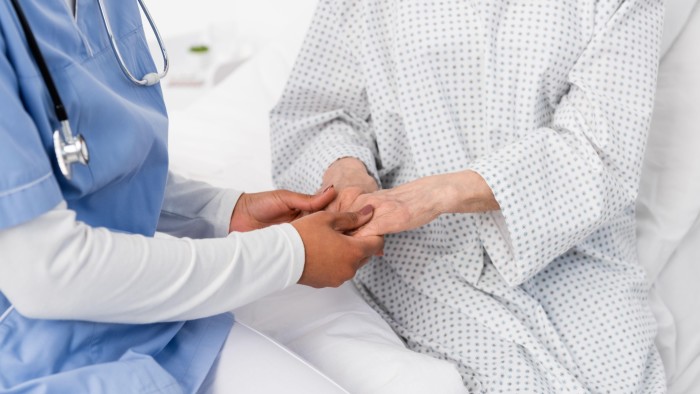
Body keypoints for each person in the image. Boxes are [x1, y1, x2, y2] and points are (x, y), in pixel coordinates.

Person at [271, 0, 668, 391]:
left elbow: (602, 149)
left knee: (622, 379)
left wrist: (439, 195)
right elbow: (318, 113)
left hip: (570, 249)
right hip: (411, 253)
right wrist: (348, 173)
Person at [0, 1, 384, 392]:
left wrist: (220, 211)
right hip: (29, 353)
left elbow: (95, 171)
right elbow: (47, 274)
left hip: (150, 324)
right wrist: (290, 255)